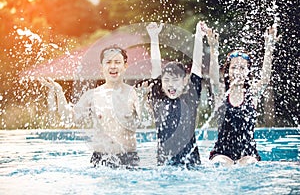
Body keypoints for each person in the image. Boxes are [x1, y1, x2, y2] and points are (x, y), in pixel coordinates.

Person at [40, 45, 151, 168]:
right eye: (108, 62)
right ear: (101, 68)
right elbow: (68, 118)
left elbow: (146, 120)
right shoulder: (91, 96)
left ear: (125, 66)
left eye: (117, 62)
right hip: (100, 159)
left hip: (128, 158)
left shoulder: (134, 94)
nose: (113, 66)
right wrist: (59, 92)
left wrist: (142, 100)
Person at [207, 24, 280, 166]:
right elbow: (214, 79)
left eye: (242, 68)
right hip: (222, 152)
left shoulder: (252, 94)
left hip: (247, 153)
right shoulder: (221, 93)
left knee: (249, 163)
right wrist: (213, 49)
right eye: (233, 67)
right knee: (221, 164)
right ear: (227, 71)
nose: (237, 71)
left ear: (248, 72)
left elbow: (265, 79)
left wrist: (269, 47)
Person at [140, 21, 208, 167]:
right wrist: (154, 37)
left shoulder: (190, 98)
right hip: (165, 165)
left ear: (184, 81)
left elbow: (196, 65)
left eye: (175, 80)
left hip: (192, 163)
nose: (171, 84)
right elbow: (156, 66)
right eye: (167, 80)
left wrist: (199, 37)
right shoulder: (158, 98)